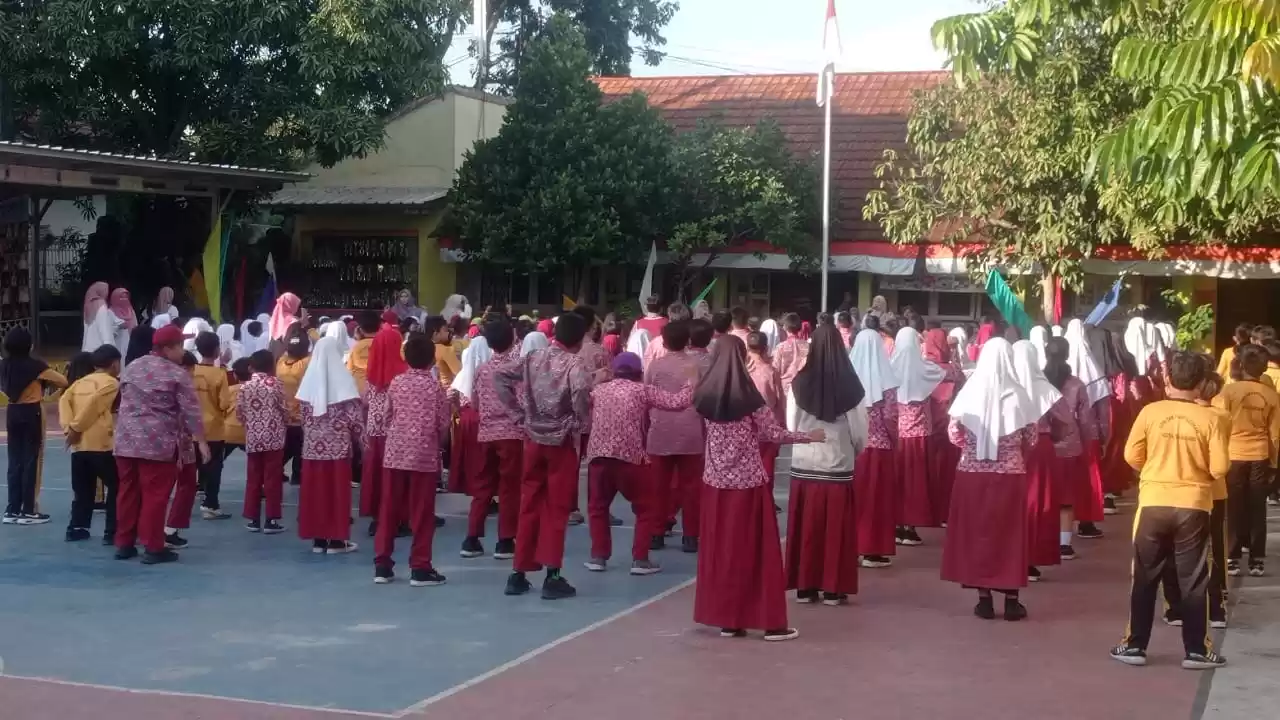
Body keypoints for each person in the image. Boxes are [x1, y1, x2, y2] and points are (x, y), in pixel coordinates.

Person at [693, 335, 820, 641]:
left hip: (714, 485)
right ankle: (770, 621)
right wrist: (808, 436)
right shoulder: (750, 400)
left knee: (721, 552)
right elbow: (772, 434)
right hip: (748, 486)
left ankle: (729, 619)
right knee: (757, 552)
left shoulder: (703, 397)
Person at [1112, 351, 1228, 670]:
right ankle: (1196, 651)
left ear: (1168, 379)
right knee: (1193, 579)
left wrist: (1155, 469)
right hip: (1194, 503)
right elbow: (1220, 467)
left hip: (1153, 501)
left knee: (1145, 577)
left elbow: (1131, 455)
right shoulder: (1212, 418)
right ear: (1202, 383)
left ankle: (1135, 645)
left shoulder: (1151, 412)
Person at [493, 312, 593, 600]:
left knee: (529, 504)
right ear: (580, 338)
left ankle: (518, 573)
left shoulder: (533, 357)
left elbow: (500, 376)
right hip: (560, 442)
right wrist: (581, 421)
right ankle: (552, 575)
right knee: (556, 509)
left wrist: (518, 414)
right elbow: (580, 394)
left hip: (533, 438)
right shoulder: (575, 364)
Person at [943, 338, 1036, 620]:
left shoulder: (970, 392)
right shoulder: (1021, 395)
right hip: (1010, 475)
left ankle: (983, 598)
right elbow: (1031, 438)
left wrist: (974, 448)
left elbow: (954, 433)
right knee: (1010, 534)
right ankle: (1011, 599)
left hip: (971, 474)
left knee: (979, 532)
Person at [584, 352, 693, 575]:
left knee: (597, 507)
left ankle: (598, 556)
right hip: (630, 458)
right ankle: (640, 559)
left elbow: (578, 401)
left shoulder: (598, 391)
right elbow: (677, 402)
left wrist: (593, 380)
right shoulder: (642, 390)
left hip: (598, 456)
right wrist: (692, 381)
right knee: (645, 508)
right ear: (639, 373)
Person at [111, 324, 209, 563]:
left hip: (125, 441)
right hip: (157, 444)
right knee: (155, 495)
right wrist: (202, 442)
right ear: (167, 348)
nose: (183, 351)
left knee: (127, 492)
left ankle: (124, 543)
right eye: (180, 346)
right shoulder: (177, 374)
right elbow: (191, 411)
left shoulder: (132, 367)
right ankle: (154, 546)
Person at [785, 324, 867, 605]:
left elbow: (790, 424)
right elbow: (859, 432)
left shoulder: (798, 383)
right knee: (835, 530)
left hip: (805, 462)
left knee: (807, 526)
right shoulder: (852, 386)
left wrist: (804, 440)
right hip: (838, 464)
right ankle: (833, 587)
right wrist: (852, 450)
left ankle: (805, 586)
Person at [375, 334, 451, 586]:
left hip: (395, 454)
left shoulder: (396, 383)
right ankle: (420, 566)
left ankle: (383, 565)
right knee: (422, 513)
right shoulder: (435, 388)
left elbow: (386, 417)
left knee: (389, 509)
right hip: (423, 457)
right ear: (431, 360)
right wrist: (436, 446)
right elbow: (442, 425)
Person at [1163, 367, 1230, 630]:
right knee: (1209, 552)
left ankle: (1176, 607)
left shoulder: (1164, 414)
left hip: (1174, 490)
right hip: (1214, 492)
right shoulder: (1221, 417)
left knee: (1170, 552)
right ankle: (1215, 608)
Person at [1212, 344, 1280, 577]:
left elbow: (1218, 424)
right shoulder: (1271, 395)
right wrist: (1273, 463)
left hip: (1233, 455)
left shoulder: (1228, 393)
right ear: (1263, 369)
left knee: (1234, 507)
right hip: (1260, 455)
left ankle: (1232, 557)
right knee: (1257, 507)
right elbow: (1275, 434)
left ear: (1240, 365)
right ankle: (1257, 559)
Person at [296, 335, 364, 555]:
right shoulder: (344, 382)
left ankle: (318, 540)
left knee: (315, 493)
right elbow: (355, 421)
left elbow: (303, 419)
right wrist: (365, 443)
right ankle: (336, 541)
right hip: (338, 449)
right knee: (336, 494)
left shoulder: (308, 383)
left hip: (312, 450)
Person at [645, 320, 707, 552]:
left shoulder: (655, 366)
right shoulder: (695, 366)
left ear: (664, 341)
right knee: (691, 487)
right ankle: (691, 536)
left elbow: (647, 396)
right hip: (690, 431)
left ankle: (656, 532)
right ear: (687, 340)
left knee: (658, 486)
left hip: (660, 431)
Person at [463, 319, 523, 559]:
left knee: (482, 487)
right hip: (511, 434)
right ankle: (505, 540)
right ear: (513, 339)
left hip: (485, 433)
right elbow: (522, 401)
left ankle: (472, 538)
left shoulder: (482, 369)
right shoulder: (517, 370)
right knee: (509, 488)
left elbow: (475, 403)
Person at [1, 328, 68, 525]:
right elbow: (63, 380)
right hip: (32, 412)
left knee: (14, 461)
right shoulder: (36, 366)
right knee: (32, 460)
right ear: (29, 345)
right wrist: (47, 391)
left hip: (12, 412)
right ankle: (29, 509)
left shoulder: (4, 365)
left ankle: (12, 508)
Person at [1010, 340, 1063, 582]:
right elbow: (1065, 421)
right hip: (1040, 448)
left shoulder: (1007, 387)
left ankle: (1011, 556)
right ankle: (1031, 558)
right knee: (1038, 502)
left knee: (1013, 503)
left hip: (1010, 450)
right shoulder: (1046, 388)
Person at [1042, 336, 1098, 561]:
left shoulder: (1038, 381)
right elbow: (1085, 419)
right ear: (1067, 355)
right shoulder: (1076, 385)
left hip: (1044, 446)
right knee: (1067, 497)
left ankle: (1043, 539)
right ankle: (1064, 544)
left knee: (1045, 497)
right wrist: (1089, 442)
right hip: (1071, 446)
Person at [848, 327, 900, 568]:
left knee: (853, 499)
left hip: (852, 448)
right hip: (879, 448)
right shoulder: (886, 380)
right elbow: (891, 417)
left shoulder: (847, 378)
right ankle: (871, 549)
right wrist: (895, 440)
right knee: (877, 500)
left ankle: (850, 547)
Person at [60, 344, 121, 543]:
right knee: (117, 485)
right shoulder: (111, 383)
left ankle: (77, 527)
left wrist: (68, 428)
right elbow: (94, 405)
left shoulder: (79, 383)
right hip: (101, 445)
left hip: (79, 446)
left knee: (83, 489)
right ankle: (112, 531)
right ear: (114, 364)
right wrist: (76, 428)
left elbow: (64, 402)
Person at [889, 326, 945, 544]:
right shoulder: (926, 369)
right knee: (916, 481)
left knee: (897, 480)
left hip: (897, 436)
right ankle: (909, 526)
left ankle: (895, 524)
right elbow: (945, 374)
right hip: (920, 435)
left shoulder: (889, 368)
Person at [1064, 319, 1112, 539]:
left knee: (1065, 481)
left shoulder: (1054, 370)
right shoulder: (1092, 368)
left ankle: (1061, 531)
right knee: (1089, 479)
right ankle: (1086, 522)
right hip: (1087, 432)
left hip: (1060, 435)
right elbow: (1102, 408)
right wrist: (1104, 435)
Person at [361, 319, 407, 537]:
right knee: (396, 478)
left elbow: (365, 401)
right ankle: (398, 518)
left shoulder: (371, 375)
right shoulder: (403, 375)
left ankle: (377, 518)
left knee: (376, 476)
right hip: (397, 435)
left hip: (374, 432)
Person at [236, 350, 288, 535]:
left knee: (253, 478)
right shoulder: (276, 384)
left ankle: (253, 518)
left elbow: (239, 413)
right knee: (272, 479)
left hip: (253, 438)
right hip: (274, 438)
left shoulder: (244, 387)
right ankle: (271, 519)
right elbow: (284, 409)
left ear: (252, 366)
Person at [923, 324, 965, 526]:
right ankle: (945, 514)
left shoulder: (921, 368)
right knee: (947, 472)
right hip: (950, 427)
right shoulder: (954, 371)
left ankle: (926, 512)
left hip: (926, 427)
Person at [189, 332, 232, 521]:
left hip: (191, 428)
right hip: (213, 428)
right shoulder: (219, 374)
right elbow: (224, 403)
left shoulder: (190, 371)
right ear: (216, 350)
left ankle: (187, 500)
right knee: (214, 467)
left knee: (191, 466)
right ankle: (211, 504)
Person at [162, 351, 201, 549]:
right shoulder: (182, 385)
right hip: (180, 442)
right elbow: (190, 415)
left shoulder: (155, 381)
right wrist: (201, 440)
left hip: (155, 441)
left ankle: (145, 529)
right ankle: (170, 529)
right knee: (186, 484)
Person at [448, 334, 492, 494]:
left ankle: (471, 489)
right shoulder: (490, 372)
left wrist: (458, 410)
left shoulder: (463, 374)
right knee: (484, 459)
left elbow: (451, 395)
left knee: (469, 457)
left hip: (466, 419)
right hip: (485, 419)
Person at [277, 328, 311, 486]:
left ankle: (279, 470)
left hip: (284, 413)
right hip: (299, 414)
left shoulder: (281, 363)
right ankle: (297, 475)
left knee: (288, 446)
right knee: (298, 448)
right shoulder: (305, 364)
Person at [771, 313, 809, 395]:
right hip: (804, 389)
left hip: (785, 389)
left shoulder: (780, 347)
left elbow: (776, 370)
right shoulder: (808, 346)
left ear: (785, 327)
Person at [82, 282, 124, 353]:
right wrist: (110, 349)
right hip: (100, 349)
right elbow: (104, 329)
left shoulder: (88, 307)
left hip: (88, 349)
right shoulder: (101, 305)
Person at [222, 357, 250, 460]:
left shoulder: (229, 390)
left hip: (228, 433)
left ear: (235, 374)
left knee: (217, 462)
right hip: (248, 434)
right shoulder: (257, 390)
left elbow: (222, 410)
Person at [346, 311, 379, 393]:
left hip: (359, 390)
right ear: (379, 326)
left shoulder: (356, 347)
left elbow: (349, 369)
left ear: (360, 329)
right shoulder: (385, 344)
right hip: (379, 391)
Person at [108, 288, 138, 355]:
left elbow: (136, 325)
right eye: (121, 297)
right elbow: (107, 329)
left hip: (131, 343)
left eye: (126, 298)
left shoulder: (131, 311)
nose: (124, 300)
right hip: (117, 343)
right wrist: (119, 327)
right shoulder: (110, 312)